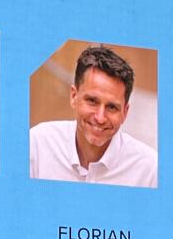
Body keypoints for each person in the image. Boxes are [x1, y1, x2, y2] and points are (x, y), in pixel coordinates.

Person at [30, 45, 157, 188]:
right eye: (92, 101)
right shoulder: (36, 145)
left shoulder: (150, 170)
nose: (100, 118)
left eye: (112, 107)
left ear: (125, 113)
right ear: (74, 96)